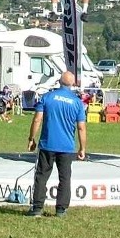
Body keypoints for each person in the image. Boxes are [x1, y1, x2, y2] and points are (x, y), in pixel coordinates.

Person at [26, 71, 86, 217]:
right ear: (72, 84)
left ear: (59, 81)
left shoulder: (47, 97)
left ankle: (37, 208)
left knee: (41, 176)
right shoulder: (77, 103)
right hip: (66, 147)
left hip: (47, 144)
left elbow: (37, 120)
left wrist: (31, 138)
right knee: (65, 178)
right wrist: (82, 148)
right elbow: (81, 127)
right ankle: (61, 209)